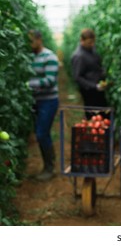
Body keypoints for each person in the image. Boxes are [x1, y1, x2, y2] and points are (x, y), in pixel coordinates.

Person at [28, 30, 59, 181]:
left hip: (49, 101)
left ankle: (50, 167)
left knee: (42, 133)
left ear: (39, 40)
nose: (29, 44)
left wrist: (28, 85)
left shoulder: (49, 57)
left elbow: (50, 80)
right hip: (35, 100)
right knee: (40, 133)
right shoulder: (29, 57)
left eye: (31, 40)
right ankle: (47, 165)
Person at [71, 28, 108, 120]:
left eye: (93, 42)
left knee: (103, 115)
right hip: (89, 92)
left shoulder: (91, 50)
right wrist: (94, 86)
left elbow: (96, 66)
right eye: (89, 43)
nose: (92, 44)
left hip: (98, 90)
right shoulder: (79, 56)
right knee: (93, 116)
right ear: (81, 41)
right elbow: (77, 77)